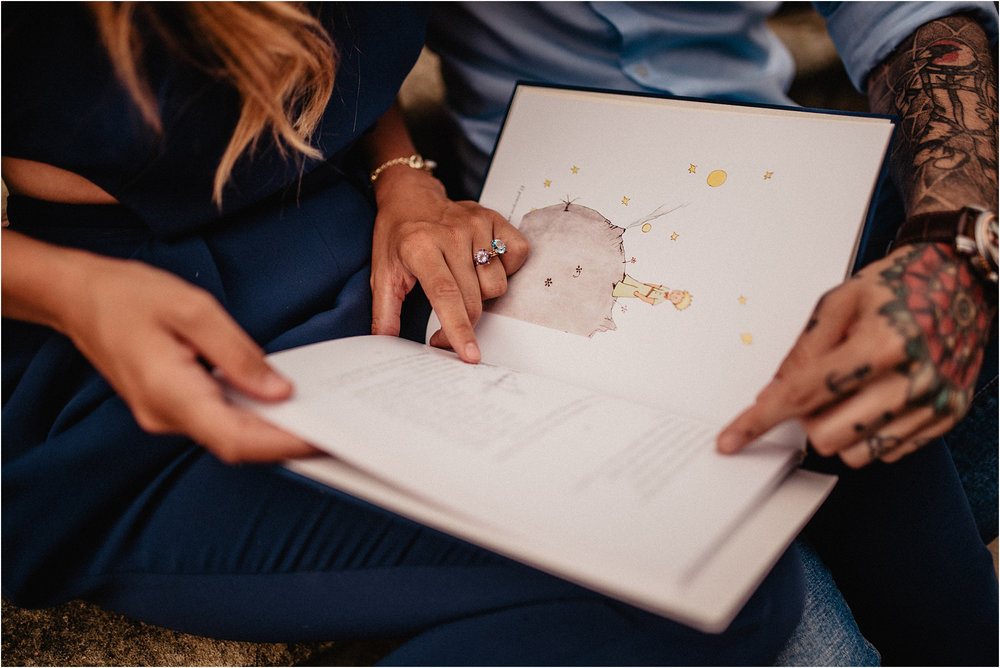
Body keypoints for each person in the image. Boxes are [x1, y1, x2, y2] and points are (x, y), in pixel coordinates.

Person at [1, 3, 814, 665]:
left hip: (368, 253)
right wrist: (77, 295)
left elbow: (325, 38)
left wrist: (403, 176)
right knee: (710, 600)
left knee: (722, 528)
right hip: (120, 332)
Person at [424, 2, 998, 664]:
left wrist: (950, 254)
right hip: (548, 230)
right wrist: (406, 181)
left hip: (793, 175)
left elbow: (911, 23)